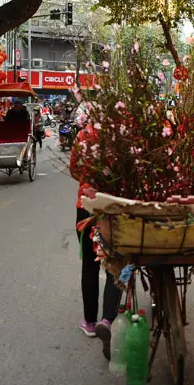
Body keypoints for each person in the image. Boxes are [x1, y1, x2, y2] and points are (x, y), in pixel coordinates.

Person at [70, 125, 121, 360]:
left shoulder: (83, 134)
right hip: (115, 206)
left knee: (89, 265)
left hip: (87, 207)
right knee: (115, 262)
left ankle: (90, 322)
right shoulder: (122, 132)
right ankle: (107, 319)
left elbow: (73, 169)